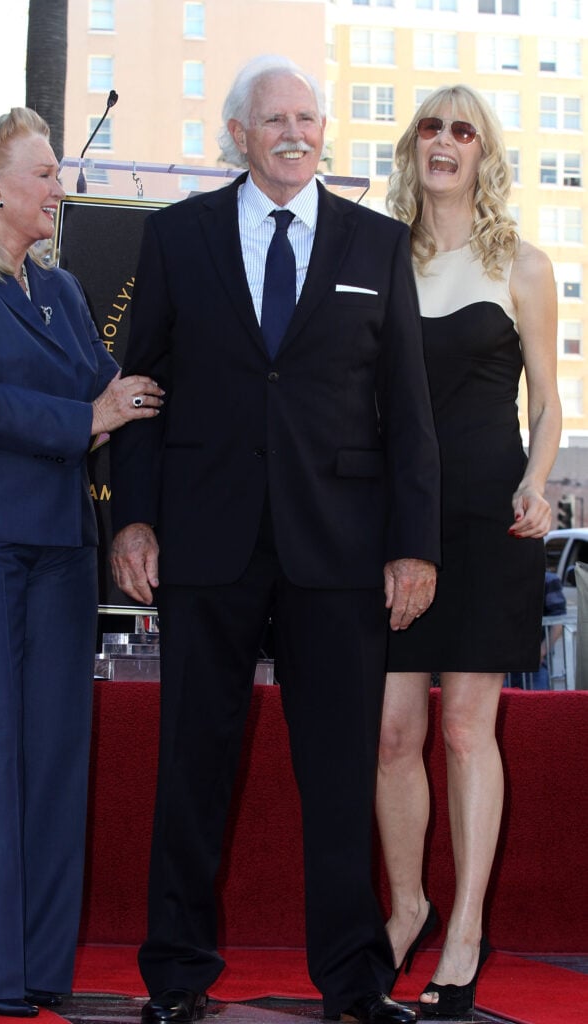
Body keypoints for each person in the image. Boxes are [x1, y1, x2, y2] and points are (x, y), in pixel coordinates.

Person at [109, 55, 441, 1024]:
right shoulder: (177, 237)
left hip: (337, 549)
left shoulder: (377, 243)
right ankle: (176, 977)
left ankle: (354, 982)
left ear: (323, 131)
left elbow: (407, 411)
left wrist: (413, 544)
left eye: (307, 118)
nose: (294, 134)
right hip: (205, 539)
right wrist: (133, 516)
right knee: (192, 767)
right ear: (238, 135)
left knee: (339, 774)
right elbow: (143, 391)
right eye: (274, 120)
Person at [0, 108, 163, 1018]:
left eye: (57, 171)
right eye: (44, 173)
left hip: (57, 548)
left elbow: (116, 392)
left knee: (53, 758)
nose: (59, 186)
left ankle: (40, 967)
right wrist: (87, 418)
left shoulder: (61, 291)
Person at [378, 84, 562, 1019]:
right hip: (396, 523)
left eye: (463, 130)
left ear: (483, 154)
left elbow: (549, 405)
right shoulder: (378, 260)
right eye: (430, 127)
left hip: (490, 518)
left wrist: (536, 482)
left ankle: (464, 932)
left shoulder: (521, 265)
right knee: (391, 732)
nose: (444, 141)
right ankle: (407, 906)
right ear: (411, 149)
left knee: (462, 729)